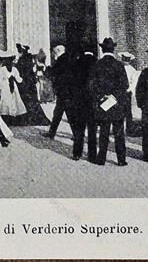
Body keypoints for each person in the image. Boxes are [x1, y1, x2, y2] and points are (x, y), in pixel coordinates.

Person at [88, 37, 130, 166]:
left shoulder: (96, 65)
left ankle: (101, 159)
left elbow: (91, 85)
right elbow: (125, 84)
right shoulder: (119, 65)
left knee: (104, 132)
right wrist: (114, 96)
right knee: (119, 133)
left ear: (102, 49)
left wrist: (101, 96)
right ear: (113, 49)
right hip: (116, 103)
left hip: (102, 103)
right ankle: (121, 160)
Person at [59, 23, 96, 161]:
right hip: (92, 100)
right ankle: (92, 155)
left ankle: (77, 153)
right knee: (92, 129)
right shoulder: (96, 62)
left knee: (79, 128)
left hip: (79, 100)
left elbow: (72, 82)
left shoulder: (77, 62)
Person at [16, 44, 52, 127]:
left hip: (27, 83)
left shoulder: (24, 59)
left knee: (29, 100)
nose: (19, 52)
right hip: (29, 82)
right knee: (30, 100)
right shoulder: (28, 58)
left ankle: (31, 119)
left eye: (19, 51)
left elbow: (24, 71)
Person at [0, 50, 26, 127]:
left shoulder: (14, 69)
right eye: (7, 60)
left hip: (13, 87)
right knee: (6, 102)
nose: (9, 62)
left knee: (14, 101)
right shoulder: (2, 69)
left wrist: (21, 80)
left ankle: (14, 119)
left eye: (10, 60)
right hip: (5, 86)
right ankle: (7, 119)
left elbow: (18, 78)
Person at [43, 44, 68, 139]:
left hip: (62, 91)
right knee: (65, 113)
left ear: (58, 50)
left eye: (54, 52)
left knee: (58, 113)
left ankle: (51, 133)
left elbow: (53, 72)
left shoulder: (61, 60)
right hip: (68, 91)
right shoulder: (68, 58)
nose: (53, 54)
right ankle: (75, 134)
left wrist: (46, 68)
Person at [120, 51, 141, 136]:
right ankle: (123, 128)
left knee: (127, 111)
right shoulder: (119, 67)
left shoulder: (132, 70)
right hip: (122, 91)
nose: (125, 60)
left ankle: (128, 128)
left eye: (126, 59)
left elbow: (134, 82)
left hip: (126, 92)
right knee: (123, 110)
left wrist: (129, 90)